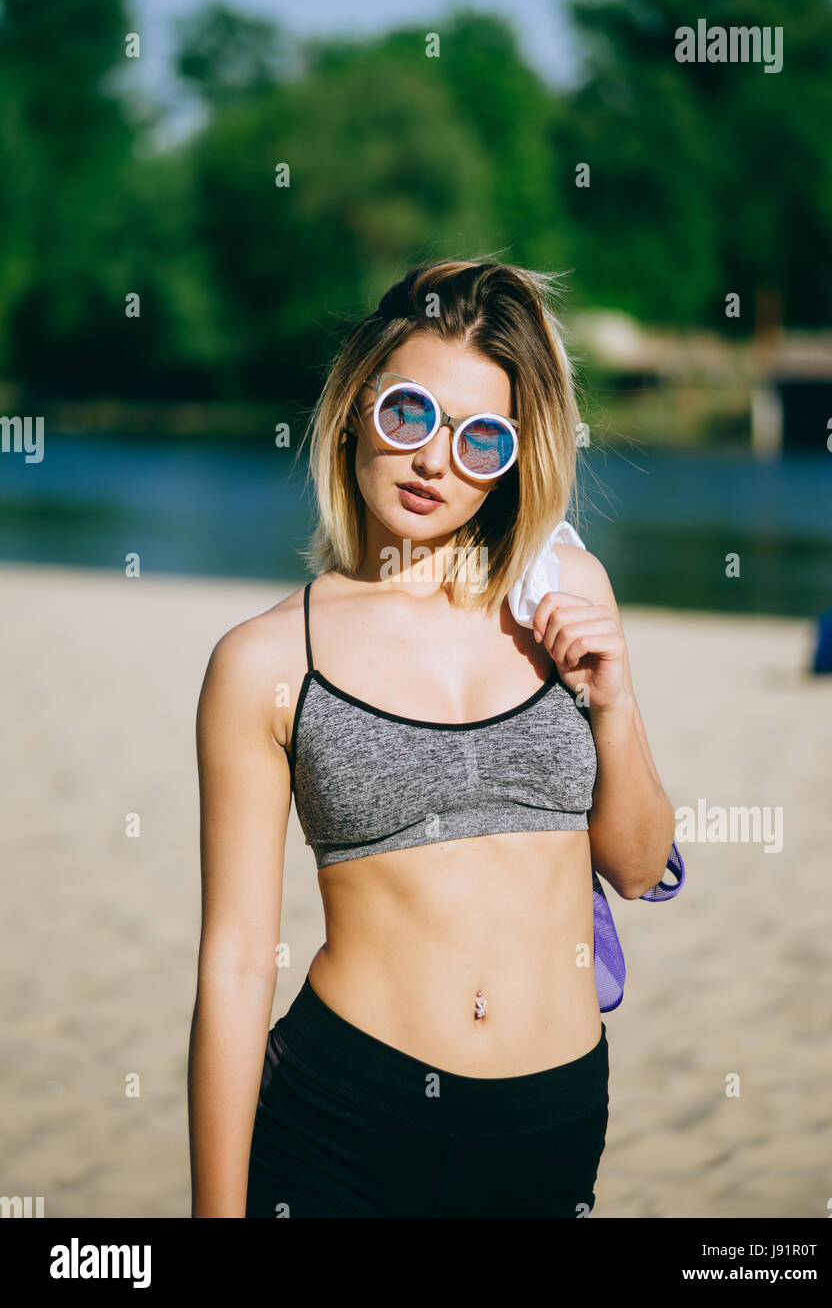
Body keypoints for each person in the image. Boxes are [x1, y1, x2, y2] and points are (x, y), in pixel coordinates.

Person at [187, 257, 675, 1218]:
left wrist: (611, 705)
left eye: (479, 439)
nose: (432, 460)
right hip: (343, 1121)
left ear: (511, 459)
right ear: (356, 405)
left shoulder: (564, 600)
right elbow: (238, 963)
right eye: (408, 413)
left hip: (553, 1123)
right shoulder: (264, 659)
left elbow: (637, 860)